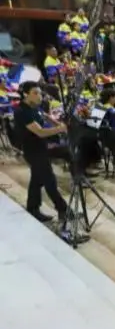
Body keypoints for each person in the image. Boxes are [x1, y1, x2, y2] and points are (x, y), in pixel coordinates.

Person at [14, 81, 69, 223]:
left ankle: (32, 208)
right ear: (26, 94)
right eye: (35, 93)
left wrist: (59, 123)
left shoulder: (34, 106)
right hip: (33, 151)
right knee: (50, 180)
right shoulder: (22, 112)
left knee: (36, 180)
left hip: (40, 148)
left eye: (40, 93)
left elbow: (44, 115)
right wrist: (60, 129)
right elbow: (40, 132)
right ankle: (63, 209)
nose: (39, 96)